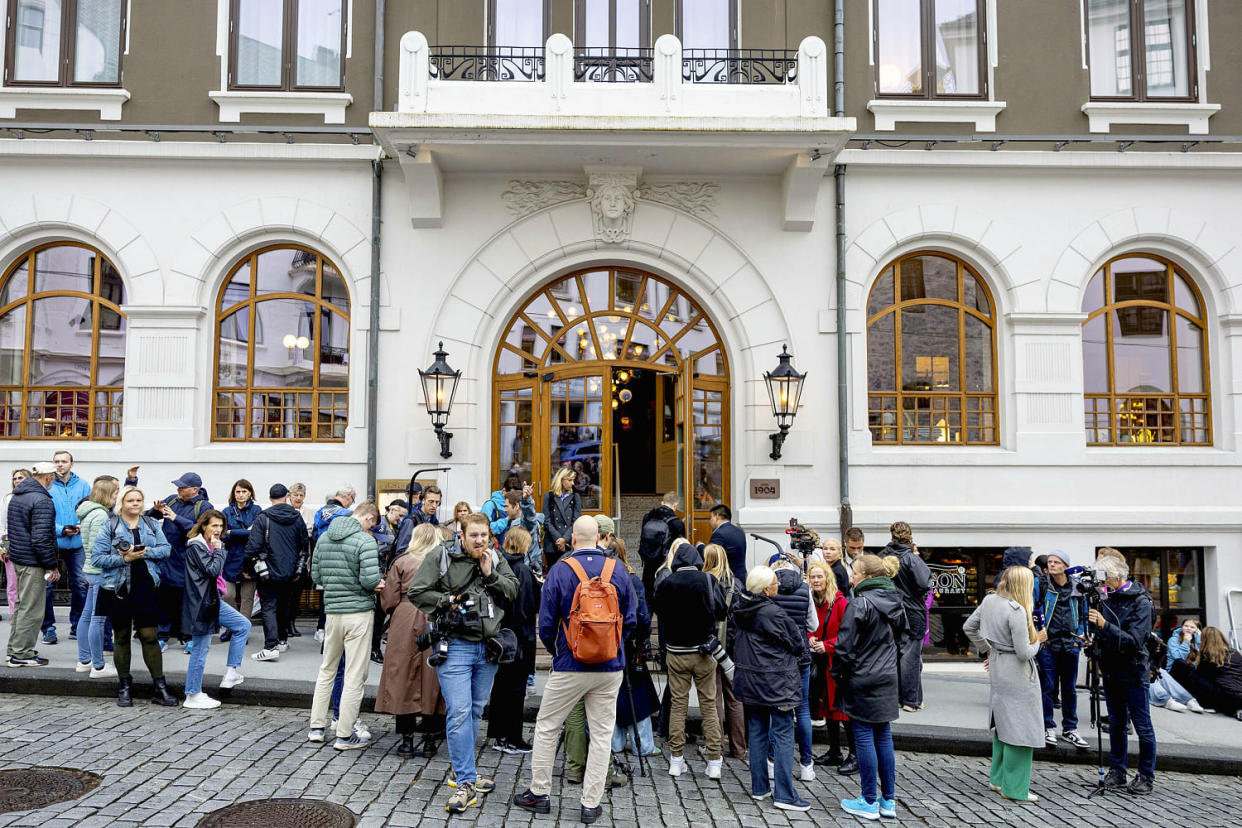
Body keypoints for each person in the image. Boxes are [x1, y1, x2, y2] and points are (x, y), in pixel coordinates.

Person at [514, 516, 637, 825]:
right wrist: (612, 647)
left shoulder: (560, 570)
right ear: (599, 538)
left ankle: (540, 794)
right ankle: (590, 803)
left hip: (570, 663)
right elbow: (633, 619)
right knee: (601, 733)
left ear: (571, 540)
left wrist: (560, 652)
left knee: (547, 726)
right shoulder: (618, 570)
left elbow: (545, 624)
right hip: (610, 666)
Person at [409, 512, 518, 814]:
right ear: (462, 534)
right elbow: (416, 591)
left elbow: (513, 590)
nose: (480, 541)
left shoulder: (494, 558)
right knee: (458, 711)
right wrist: (450, 601)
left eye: (484, 536)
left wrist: (490, 574)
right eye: (474, 536)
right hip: (454, 645)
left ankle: (461, 770)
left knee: (474, 711)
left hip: (488, 649)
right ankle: (467, 782)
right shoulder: (442, 555)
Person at [729, 565, 811, 812]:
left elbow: (732, 641)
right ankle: (785, 794)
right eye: (775, 583)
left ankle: (759, 787)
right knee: (784, 733)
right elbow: (796, 642)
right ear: (766, 589)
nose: (779, 586)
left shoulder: (740, 608)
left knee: (757, 731)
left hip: (751, 678)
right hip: (776, 680)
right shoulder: (773, 613)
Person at [963, 566, 1047, 803]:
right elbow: (1024, 652)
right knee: (1022, 730)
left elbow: (969, 626)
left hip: (999, 665)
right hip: (1017, 672)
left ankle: (998, 778)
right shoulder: (1017, 610)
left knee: (1003, 724)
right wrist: (1039, 640)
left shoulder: (991, 600)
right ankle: (1015, 788)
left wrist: (987, 649)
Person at [833, 553, 906, 821]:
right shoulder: (896, 600)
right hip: (887, 675)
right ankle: (888, 800)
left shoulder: (860, 603)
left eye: (854, 573)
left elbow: (844, 647)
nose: (850, 577)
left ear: (868, 577)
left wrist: (838, 673)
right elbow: (904, 640)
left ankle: (868, 800)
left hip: (862, 676)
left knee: (864, 737)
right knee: (883, 736)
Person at [308, 500, 384, 750]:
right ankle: (344, 735)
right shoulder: (365, 541)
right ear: (369, 519)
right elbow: (369, 579)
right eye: (372, 524)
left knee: (326, 670)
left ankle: (316, 728)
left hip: (332, 612)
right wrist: (378, 584)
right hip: (359, 613)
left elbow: (316, 576)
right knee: (354, 674)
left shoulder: (324, 537)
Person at [94, 486, 175, 706]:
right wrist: (125, 559)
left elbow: (166, 549)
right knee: (120, 636)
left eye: (139, 500)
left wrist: (144, 552)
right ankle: (125, 685)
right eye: (131, 500)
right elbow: (97, 559)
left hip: (146, 585)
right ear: (122, 503)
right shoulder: (109, 526)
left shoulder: (150, 524)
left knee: (149, 635)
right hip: (117, 588)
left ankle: (159, 686)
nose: (136, 504)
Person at [652, 539, 726, 778]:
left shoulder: (666, 583)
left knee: (678, 707)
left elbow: (660, 613)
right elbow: (722, 611)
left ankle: (676, 759)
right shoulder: (708, 580)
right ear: (697, 561)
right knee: (709, 707)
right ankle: (714, 761)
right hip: (703, 652)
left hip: (676, 652)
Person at [1088, 553, 1157, 795]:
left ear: (1117, 578)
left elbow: (1134, 642)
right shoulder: (1107, 597)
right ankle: (1117, 771)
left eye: (1104, 578)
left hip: (1134, 671)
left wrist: (1104, 625)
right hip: (1110, 669)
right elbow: (1105, 633)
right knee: (1116, 723)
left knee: (1142, 725)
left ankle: (1146, 776)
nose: (1100, 584)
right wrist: (1092, 641)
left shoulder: (1141, 602)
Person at [376, 522, 444, 756]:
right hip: (434, 615)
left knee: (402, 675)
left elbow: (389, 600)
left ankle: (406, 741)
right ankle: (429, 741)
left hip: (405, 616)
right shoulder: (442, 562)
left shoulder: (402, 562)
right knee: (433, 678)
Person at [182, 510, 251, 709]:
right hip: (202, 603)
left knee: (242, 625)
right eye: (214, 526)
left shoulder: (207, 544)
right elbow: (212, 570)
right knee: (200, 649)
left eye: (221, 526)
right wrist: (219, 549)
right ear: (204, 526)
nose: (218, 530)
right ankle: (192, 694)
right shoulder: (197, 546)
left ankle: (231, 673)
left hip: (211, 600)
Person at [485, 526, 541, 754]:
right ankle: (512, 738)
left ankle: (498, 735)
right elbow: (530, 606)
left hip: (501, 634)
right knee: (516, 691)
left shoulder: (498, 567)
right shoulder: (523, 571)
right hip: (519, 636)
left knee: (500, 687)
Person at [5, 462, 61, 667]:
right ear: (48, 477)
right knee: (32, 609)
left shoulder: (19, 495)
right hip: (32, 561)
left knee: (22, 606)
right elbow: (41, 538)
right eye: (53, 477)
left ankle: (15, 650)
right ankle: (22, 654)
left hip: (19, 557)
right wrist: (51, 565)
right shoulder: (41, 499)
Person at [149, 472, 213, 650]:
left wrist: (176, 518)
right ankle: (162, 636)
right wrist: (155, 511)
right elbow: (148, 520)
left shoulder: (204, 506)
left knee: (189, 601)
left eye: (183, 487)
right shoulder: (171, 500)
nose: (178, 489)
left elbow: (202, 532)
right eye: (178, 486)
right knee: (164, 599)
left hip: (188, 561)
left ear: (194, 490)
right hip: (166, 559)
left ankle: (189, 637)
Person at [247, 484, 310, 663]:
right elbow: (304, 546)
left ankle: (270, 647)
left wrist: (247, 569)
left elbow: (252, 547)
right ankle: (282, 640)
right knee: (284, 606)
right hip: (290, 572)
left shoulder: (263, 517)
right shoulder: (296, 517)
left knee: (268, 607)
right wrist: (299, 569)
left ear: (270, 498)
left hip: (267, 571)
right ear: (287, 496)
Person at [611, 537, 660, 758]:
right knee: (637, 697)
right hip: (629, 646)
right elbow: (642, 616)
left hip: (608, 644)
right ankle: (644, 745)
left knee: (610, 696)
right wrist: (642, 638)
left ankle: (616, 743)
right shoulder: (631, 579)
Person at [769, 559, 817, 782]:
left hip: (776, 656)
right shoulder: (805, 589)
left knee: (774, 708)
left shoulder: (770, 587)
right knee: (803, 708)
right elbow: (813, 625)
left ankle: (771, 761)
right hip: (801, 656)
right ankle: (807, 764)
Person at [1038, 550, 1090, 748]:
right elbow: (1034, 610)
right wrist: (1039, 635)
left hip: (1070, 644)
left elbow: (1085, 615)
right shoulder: (1042, 584)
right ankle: (1047, 726)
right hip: (1048, 645)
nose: (1052, 565)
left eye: (1056, 562)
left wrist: (1079, 638)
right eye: (1050, 562)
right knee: (1048, 688)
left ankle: (1070, 728)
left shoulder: (1078, 587)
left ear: (1065, 566)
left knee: (1069, 689)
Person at [880, 521, 931, 713]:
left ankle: (898, 697)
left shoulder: (883, 556)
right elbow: (924, 584)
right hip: (912, 611)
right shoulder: (911, 558)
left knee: (893, 655)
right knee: (910, 657)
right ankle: (910, 700)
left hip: (890, 611)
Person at [702, 543, 746, 759]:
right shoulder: (737, 583)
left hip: (710, 645)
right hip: (733, 646)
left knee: (714, 697)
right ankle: (739, 748)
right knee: (734, 697)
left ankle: (715, 747)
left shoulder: (705, 582)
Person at [74, 476, 120, 678]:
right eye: (115, 492)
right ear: (107, 495)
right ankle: (98, 666)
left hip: (90, 570)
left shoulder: (89, 512)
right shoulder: (101, 515)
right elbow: (98, 548)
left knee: (87, 616)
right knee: (98, 619)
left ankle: (85, 660)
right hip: (99, 571)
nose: (117, 496)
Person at [808, 561, 852, 769]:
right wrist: (810, 639)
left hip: (837, 663)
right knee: (827, 708)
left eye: (819, 577)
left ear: (828, 578)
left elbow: (848, 635)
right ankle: (834, 751)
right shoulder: (811, 601)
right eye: (812, 577)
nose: (816, 580)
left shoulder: (840, 603)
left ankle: (854, 755)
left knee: (842, 711)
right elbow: (809, 626)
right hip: (821, 662)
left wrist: (827, 645)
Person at [47, 450, 90, 645]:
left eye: (64, 461)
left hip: (78, 542)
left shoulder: (83, 485)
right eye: (56, 461)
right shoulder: (46, 485)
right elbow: (41, 516)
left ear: (71, 464)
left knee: (81, 584)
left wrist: (81, 526)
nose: (59, 465)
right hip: (52, 542)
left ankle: (77, 626)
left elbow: (90, 510)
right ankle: (48, 628)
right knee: (47, 586)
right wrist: (61, 530)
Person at [1170, 626, 1242, 719]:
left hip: (1224, 694)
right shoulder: (1235, 653)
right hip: (1239, 693)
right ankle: (1236, 710)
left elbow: (1200, 674)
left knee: (1191, 673)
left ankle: (1204, 703)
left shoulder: (1209, 655)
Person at [220, 479, 261, 642]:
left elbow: (256, 534)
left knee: (247, 598)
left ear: (250, 493)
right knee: (227, 595)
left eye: (244, 491)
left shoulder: (257, 510)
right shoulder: (227, 510)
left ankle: (241, 630)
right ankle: (232, 626)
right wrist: (244, 532)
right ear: (233, 493)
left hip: (250, 558)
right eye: (238, 491)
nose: (241, 495)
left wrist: (233, 532)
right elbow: (223, 534)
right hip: (231, 558)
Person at [636, 491, 685, 603]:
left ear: (662, 502)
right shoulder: (677, 523)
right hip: (666, 566)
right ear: (675, 506)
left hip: (648, 564)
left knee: (648, 598)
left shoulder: (647, 518)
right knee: (666, 602)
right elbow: (681, 549)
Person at [1151, 619, 1205, 712]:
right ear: (1182, 627)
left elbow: (1202, 657)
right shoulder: (1173, 639)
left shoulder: (1198, 640)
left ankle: (1191, 701)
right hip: (1176, 670)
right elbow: (1178, 657)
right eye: (1186, 626)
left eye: (1192, 627)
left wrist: (1199, 640)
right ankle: (1176, 699)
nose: (1188, 628)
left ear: (1197, 630)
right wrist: (1186, 643)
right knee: (1181, 663)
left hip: (1190, 672)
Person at [1, 468, 31, 621]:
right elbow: (3, 524)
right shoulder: (8, 498)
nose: (17, 480)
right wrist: (2, 546)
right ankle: (14, 614)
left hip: (28, 543)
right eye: (15, 478)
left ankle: (27, 615)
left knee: (28, 583)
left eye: (21, 477)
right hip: (11, 541)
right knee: (13, 582)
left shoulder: (34, 497)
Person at [541, 468, 581, 570]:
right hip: (552, 544)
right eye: (570, 480)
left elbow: (576, 521)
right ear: (561, 480)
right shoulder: (549, 497)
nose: (572, 483)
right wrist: (559, 540)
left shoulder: (575, 497)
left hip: (569, 545)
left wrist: (564, 539)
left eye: (573, 480)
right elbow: (546, 521)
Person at [705, 504, 746, 585]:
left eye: (710, 518)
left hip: (727, 582)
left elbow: (711, 556)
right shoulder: (740, 531)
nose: (710, 521)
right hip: (741, 577)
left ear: (717, 517)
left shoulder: (719, 534)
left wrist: (700, 547)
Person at [395, 485, 441, 555]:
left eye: (437, 502)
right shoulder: (411, 521)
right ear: (423, 500)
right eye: (431, 501)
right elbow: (401, 551)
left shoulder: (433, 521)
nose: (434, 506)